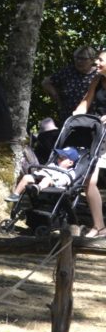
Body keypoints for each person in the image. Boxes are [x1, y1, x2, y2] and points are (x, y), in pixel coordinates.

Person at [72, 49, 106, 237]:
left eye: (100, 60)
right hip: (99, 134)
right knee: (89, 180)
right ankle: (99, 227)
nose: (96, 63)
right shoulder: (97, 80)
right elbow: (86, 101)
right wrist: (76, 114)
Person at [41, 46, 97, 125]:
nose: (78, 61)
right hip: (68, 118)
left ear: (92, 60)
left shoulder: (98, 74)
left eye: (83, 58)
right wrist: (56, 96)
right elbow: (46, 83)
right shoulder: (68, 71)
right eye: (76, 58)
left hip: (92, 119)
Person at [5, 146, 77, 202]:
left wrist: (56, 181)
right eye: (59, 157)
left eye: (62, 158)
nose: (59, 159)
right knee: (27, 177)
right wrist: (38, 174)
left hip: (54, 183)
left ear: (70, 163)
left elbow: (66, 180)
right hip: (41, 177)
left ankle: (37, 188)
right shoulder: (53, 165)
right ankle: (16, 194)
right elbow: (44, 170)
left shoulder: (71, 172)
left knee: (47, 179)